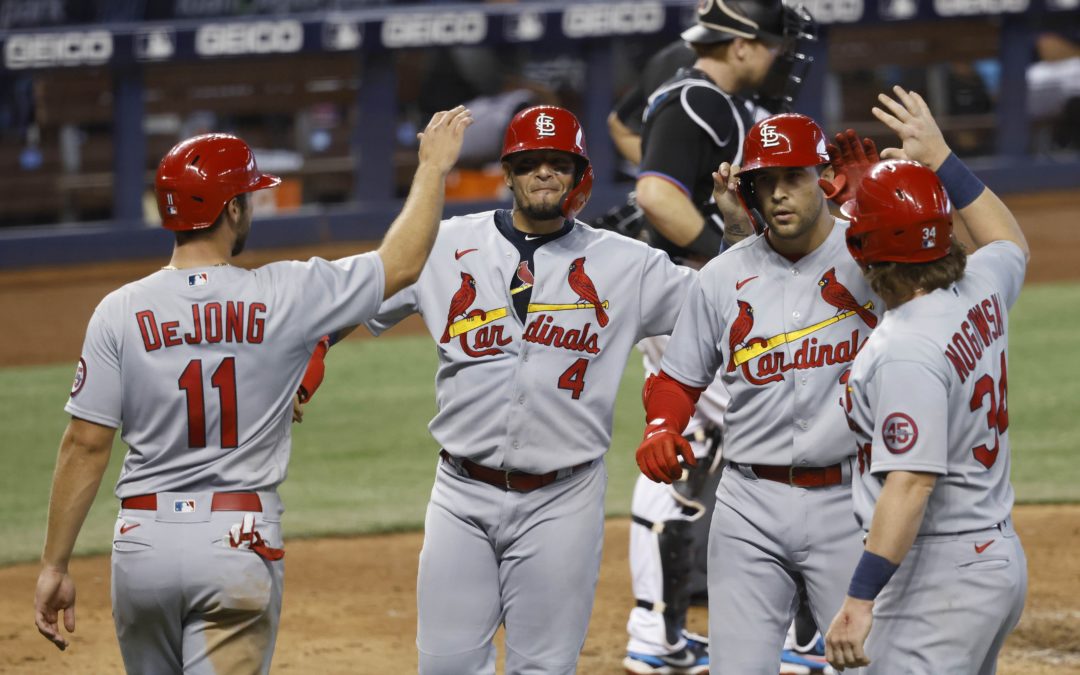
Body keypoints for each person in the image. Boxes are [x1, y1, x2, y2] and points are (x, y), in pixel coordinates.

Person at [32, 107, 473, 673]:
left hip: (142, 544)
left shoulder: (118, 310)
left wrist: (53, 565)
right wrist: (433, 168)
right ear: (232, 208)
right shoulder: (285, 292)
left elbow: (85, 445)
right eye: (247, 197)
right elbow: (403, 263)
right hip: (236, 540)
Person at [362, 105, 695, 675]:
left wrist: (739, 230)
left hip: (563, 500)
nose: (545, 173)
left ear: (577, 174)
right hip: (460, 497)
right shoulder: (441, 244)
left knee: (541, 669)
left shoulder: (628, 264)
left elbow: (731, 304)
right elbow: (354, 294)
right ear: (509, 173)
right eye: (530, 162)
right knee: (444, 668)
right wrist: (313, 352)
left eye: (558, 163)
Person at [633, 111, 883, 673]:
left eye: (792, 178)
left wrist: (877, 211)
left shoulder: (870, 256)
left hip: (851, 500)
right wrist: (662, 424)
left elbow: (950, 286)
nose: (777, 195)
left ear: (821, 176)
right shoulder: (722, 277)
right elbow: (679, 376)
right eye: (763, 183)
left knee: (874, 664)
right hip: (748, 506)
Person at [622, 4, 821, 674]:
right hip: (690, 301)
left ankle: (663, 633)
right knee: (745, 437)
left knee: (708, 447)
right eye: (772, 45)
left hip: (692, 297)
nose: (780, 59)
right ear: (740, 47)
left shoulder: (705, 100)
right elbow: (654, 193)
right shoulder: (697, 100)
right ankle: (660, 631)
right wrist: (726, 255)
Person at [825, 86, 1030, 673]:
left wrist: (861, 598)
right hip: (994, 559)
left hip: (937, 576)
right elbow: (1008, 240)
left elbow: (911, 484)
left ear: (867, 253)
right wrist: (939, 158)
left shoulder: (906, 349)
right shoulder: (981, 286)